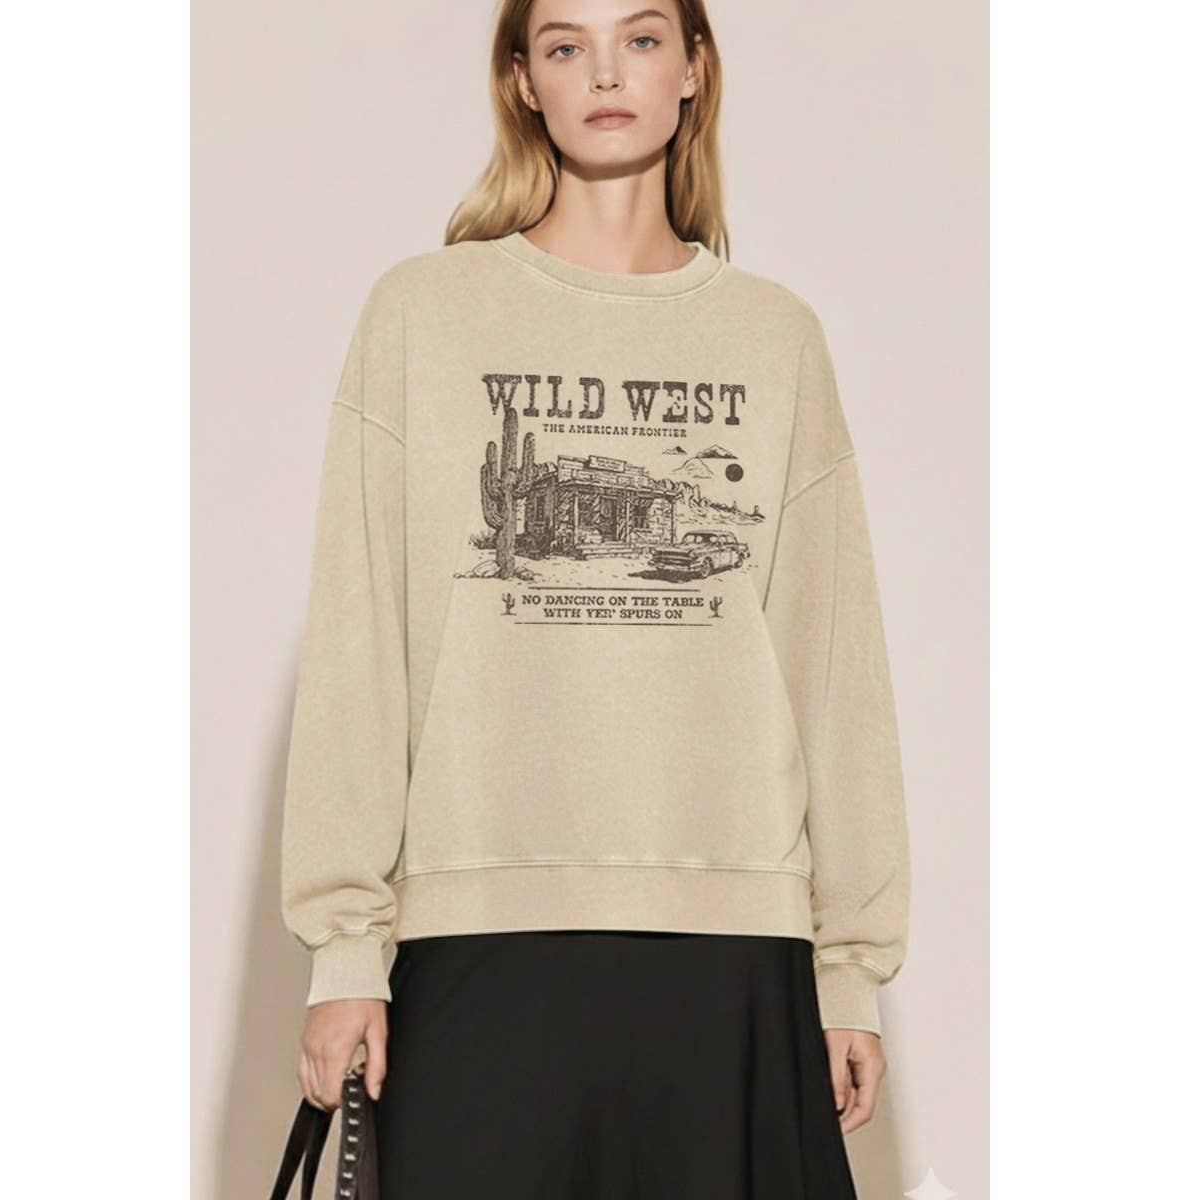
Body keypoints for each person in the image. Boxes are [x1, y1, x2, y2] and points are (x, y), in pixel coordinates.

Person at [279, 1, 910, 1195]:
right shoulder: (423, 314)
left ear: (694, 68)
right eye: (567, 45)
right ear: (524, 80)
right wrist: (345, 949)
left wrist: (850, 966)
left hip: (732, 937)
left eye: (642, 39)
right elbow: (361, 641)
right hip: (476, 926)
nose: (607, 73)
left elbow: (834, 661)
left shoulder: (775, 337)